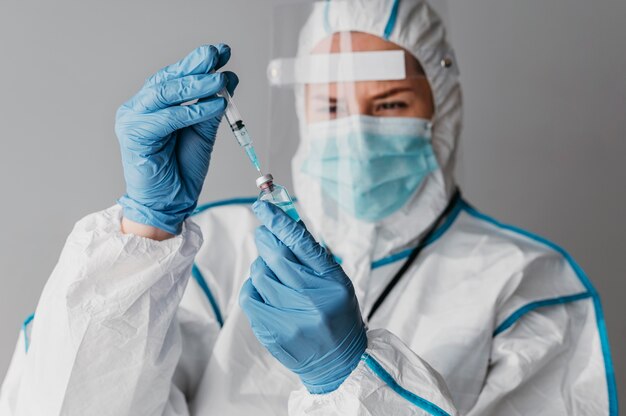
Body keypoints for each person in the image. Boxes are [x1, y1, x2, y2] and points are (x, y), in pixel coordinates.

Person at [0, 0, 617, 415]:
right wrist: (144, 233)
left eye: (393, 105)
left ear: (443, 112)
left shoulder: (527, 288)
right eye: (329, 105)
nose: (355, 131)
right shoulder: (209, 256)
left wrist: (350, 374)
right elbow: (62, 401)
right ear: (301, 112)